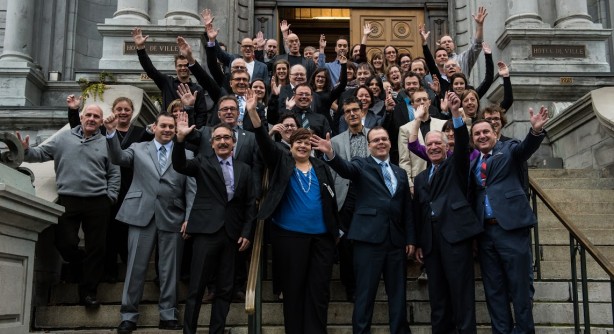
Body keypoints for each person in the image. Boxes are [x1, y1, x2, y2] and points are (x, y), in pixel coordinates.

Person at [245, 87, 339, 333]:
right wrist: (254, 113)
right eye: (298, 142)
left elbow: (330, 198)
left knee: (319, 291)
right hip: (290, 237)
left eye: (307, 142)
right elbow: (264, 142)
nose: (303, 146)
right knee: (294, 291)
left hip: (321, 238)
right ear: (291, 145)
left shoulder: (321, 166)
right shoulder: (281, 160)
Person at [312, 126, 415, 334]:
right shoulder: (361, 165)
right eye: (375, 140)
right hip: (368, 241)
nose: (381, 143)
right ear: (369, 146)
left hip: (396, 243)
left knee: (398, 295)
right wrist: (331, 153)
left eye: (384, 139)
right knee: (365, 294)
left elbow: (407, 210)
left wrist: (411, 239)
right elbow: (345, 169)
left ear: (390, 143)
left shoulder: (401, 173)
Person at [19, 104, 120, 309]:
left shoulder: (108, 142)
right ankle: (80, 263)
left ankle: (88, 293)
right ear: (81, 118)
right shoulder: (63, 138)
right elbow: (39, 154)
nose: (92, 119)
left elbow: (114, 173)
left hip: (98, 201)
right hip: (68, 199)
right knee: (64, 243)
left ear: (101, 121)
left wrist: (111, 197)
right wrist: (26, 150)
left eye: (96, 116)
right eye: (88, 115)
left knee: (97, 248)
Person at [106, 112, 196, 334]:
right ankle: (128, 315)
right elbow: (117, 158)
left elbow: (191, 189)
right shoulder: (138, 148)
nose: (167, 130)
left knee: (170, 269)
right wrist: (110, 134)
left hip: (173, 215)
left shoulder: (187, 153)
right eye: (163, 126)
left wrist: (189, 217)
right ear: (153, 127)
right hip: (140, 213)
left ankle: (168, 314)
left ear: (175, 131)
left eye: (171, 127)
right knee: (135, 267)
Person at [470, 106, 549, 334]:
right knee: (494, 291)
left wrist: (535, 132)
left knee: (520, 289)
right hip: (486, 235)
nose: (482, 136)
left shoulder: (509, 149)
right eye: (477, 134)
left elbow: (526, 149)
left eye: (486, 132)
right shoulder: (474, 163)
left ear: (495, 133)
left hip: (512, 230)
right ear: (473, 140)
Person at [173, 118, 256, 334]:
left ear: (234, 142)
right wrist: (180, 140)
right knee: (197, 287)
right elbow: (180, 165)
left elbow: (249, 204)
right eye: (218, 138)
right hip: (206, 232)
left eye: (226, 138)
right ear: (211, 143)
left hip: (232, 235)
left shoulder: (245, 169)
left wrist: (247, 231)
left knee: (226, 288)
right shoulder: (202, 162)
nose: (222, 141)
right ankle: (189, 331)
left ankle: (216, 331)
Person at [413, 91, 482, 334]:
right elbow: (419, 211)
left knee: (462, 298)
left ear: (446, 147)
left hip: (455, 240)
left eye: (437, 144)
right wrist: (420, 242)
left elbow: (463, 144)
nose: (433, 148)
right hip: (431, 245)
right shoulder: (421, 178)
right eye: (429, 144)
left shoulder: (456, 165)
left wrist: (455, 114)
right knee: (438, 301)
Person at [66, 95, 153, 283]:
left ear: (132, 112)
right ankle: (110, 271)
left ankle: (132, 271)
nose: (122, 112)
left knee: (128, 230)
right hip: (108, 187)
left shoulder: (141, 133)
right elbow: (79, 132)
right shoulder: (103, 131)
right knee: (109, 232)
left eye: (126, 109)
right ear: (113, 111)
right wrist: (74, 110)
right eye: (119, 109)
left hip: (133, 186)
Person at [329, 97, 372, 302]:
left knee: (368, 241)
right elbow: (331, 174)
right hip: (345, 196)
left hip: (370, 194)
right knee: (346, 243)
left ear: (363, 112)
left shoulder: (374, 136)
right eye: (348, 111)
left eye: (356, 110)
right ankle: (350, 285)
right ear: (344, 116)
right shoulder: (335, 141)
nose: (352, 114)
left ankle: (366, 282)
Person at [131, 28, 212, 128]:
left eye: (186, 65)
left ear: (190, 67)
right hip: (167, 128)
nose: (183, 68)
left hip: (189, 131)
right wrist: (141, 48)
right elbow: (150, 70)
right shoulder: (167, 82)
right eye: (180, 66)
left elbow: (201, 115)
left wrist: (196, 133)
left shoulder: (197, 89)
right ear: (175, 67)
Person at [397, 88, 447, 190]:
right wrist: (410, 185)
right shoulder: (405, 129)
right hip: (419, 180)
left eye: (424, 99)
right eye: (418, 100)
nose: (422, 102)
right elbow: (404, 160)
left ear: (429, 102)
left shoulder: (442, 124)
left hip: (443, 176)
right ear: (412, 104)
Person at [437, 6, 487, 77]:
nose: (447, 43)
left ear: (453, 45)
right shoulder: (435, 65)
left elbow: (477, 45)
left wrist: (480, 25)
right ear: (440, 46)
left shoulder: (463, 58)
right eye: (444, 42)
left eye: (449, 41)